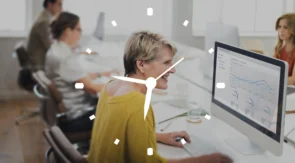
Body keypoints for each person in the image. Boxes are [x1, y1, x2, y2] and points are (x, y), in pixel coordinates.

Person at [87, 31, 233, 163]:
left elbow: (120, 131)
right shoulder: (137, 103)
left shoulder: (111, 86)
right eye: (166, 63)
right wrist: (204, 160)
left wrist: (158, 136)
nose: (173, 69)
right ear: (141, 64)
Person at [45, 12, 118, 132]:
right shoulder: (66, 58)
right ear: (68, 31)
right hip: (78, 117)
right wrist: (123, 85)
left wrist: (101, 75)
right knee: (122, 110)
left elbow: (75, 78)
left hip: (69, 112)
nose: (80, 35)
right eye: (79, 30)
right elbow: (92, 88)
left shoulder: (55, 50)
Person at [26, 0, 62, 71]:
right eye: (59, 5)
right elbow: (52, 48)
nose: (61, 9)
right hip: (39, 65)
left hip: (39, 61)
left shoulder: (44, 17)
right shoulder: (43, 22)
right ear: (49, 4)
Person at [274, 13, 295, 86]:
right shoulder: (279, 48)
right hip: (283, 87)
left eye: (285, 27)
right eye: (279, 26)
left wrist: (274, 82)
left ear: (294, 29)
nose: (281, 31)